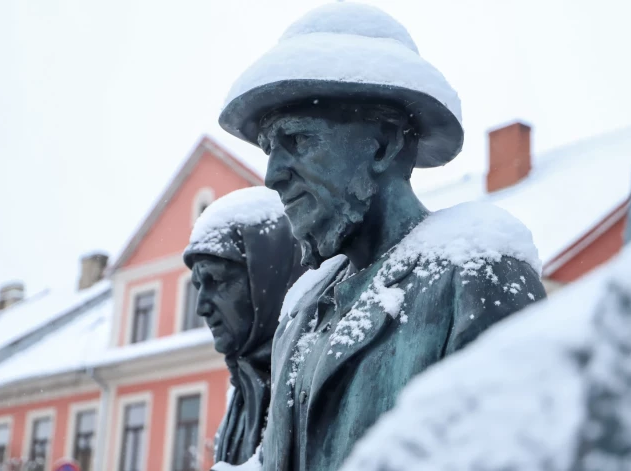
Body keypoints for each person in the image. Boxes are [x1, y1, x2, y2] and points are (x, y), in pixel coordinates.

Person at [218, 4, 547, 470]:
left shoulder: (475, 273)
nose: (271, 175)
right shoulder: (301, 309)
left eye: (298, 140)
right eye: (270, 150)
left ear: (384, 144)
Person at [183, 186, 306, 466]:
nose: (201, 306)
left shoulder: (312, 384)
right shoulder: (242, 393)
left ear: (268, 282)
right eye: (198, 287)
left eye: (216, 281)